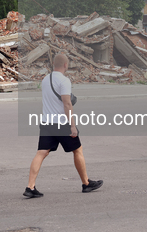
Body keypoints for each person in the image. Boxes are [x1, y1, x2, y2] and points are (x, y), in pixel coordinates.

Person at [24, 53, 103, 198]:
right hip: (61, 124)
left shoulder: (45, 79)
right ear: (66, 65)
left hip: (46, 123)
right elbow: (67, 104)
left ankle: (30, 187)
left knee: (41, 153)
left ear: (54, 64)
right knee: (78, 150)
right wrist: (72, 126)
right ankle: (86, 183)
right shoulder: (64, 81)